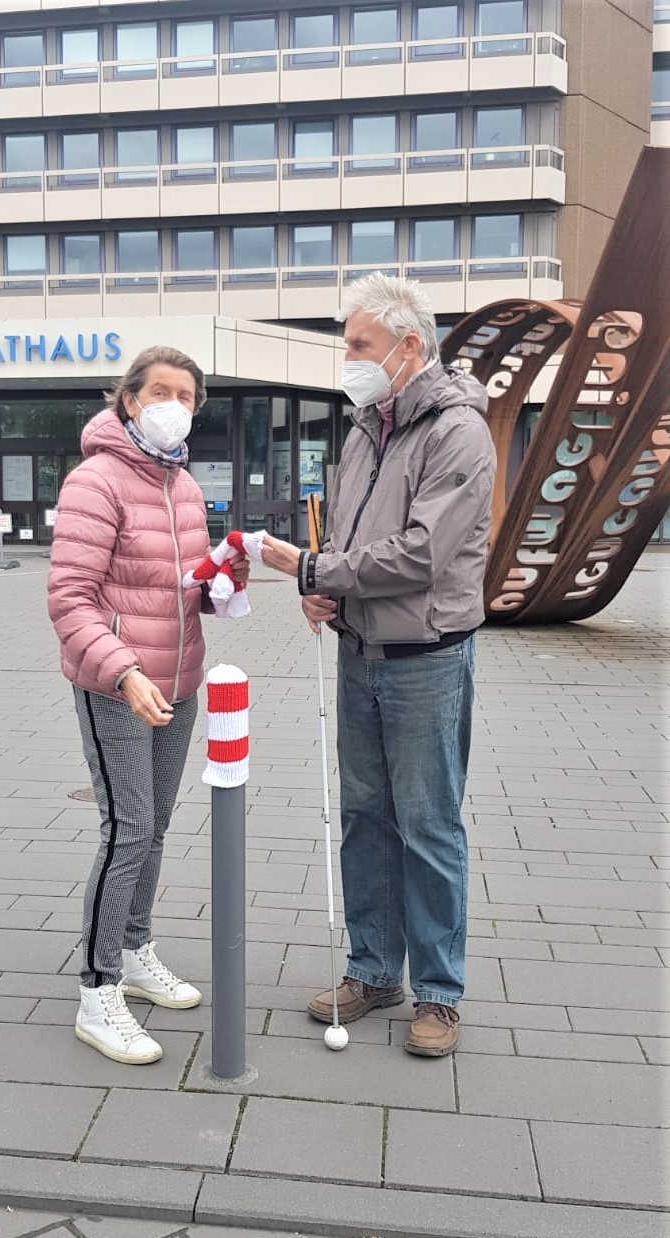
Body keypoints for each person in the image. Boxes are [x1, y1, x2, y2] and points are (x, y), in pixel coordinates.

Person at [260, 274, 495, 1057]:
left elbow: (421, 553)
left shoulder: (456, 431)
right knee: (364, 819)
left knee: (426, 825)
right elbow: (350, 549)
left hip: (426, 660)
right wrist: (324, 594)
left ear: (409, 347)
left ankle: (437, 994)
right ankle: (372, 969)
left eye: (359, 343)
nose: (347, 357)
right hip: (358, 654)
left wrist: (314, 573)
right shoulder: (366, 427)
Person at [47, 346, 249, 1066]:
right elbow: (70, 598)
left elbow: (182, 587)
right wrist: (123, 671)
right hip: (116, 686)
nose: (174, 404)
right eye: (160, 391)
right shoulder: (94, 481)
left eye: (187, 395)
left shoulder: (182, 485)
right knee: (127, 829)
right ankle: (97, 991)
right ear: (128, 400)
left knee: (155, 827)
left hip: (180, 680)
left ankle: (133, 949)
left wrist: (219, 582)